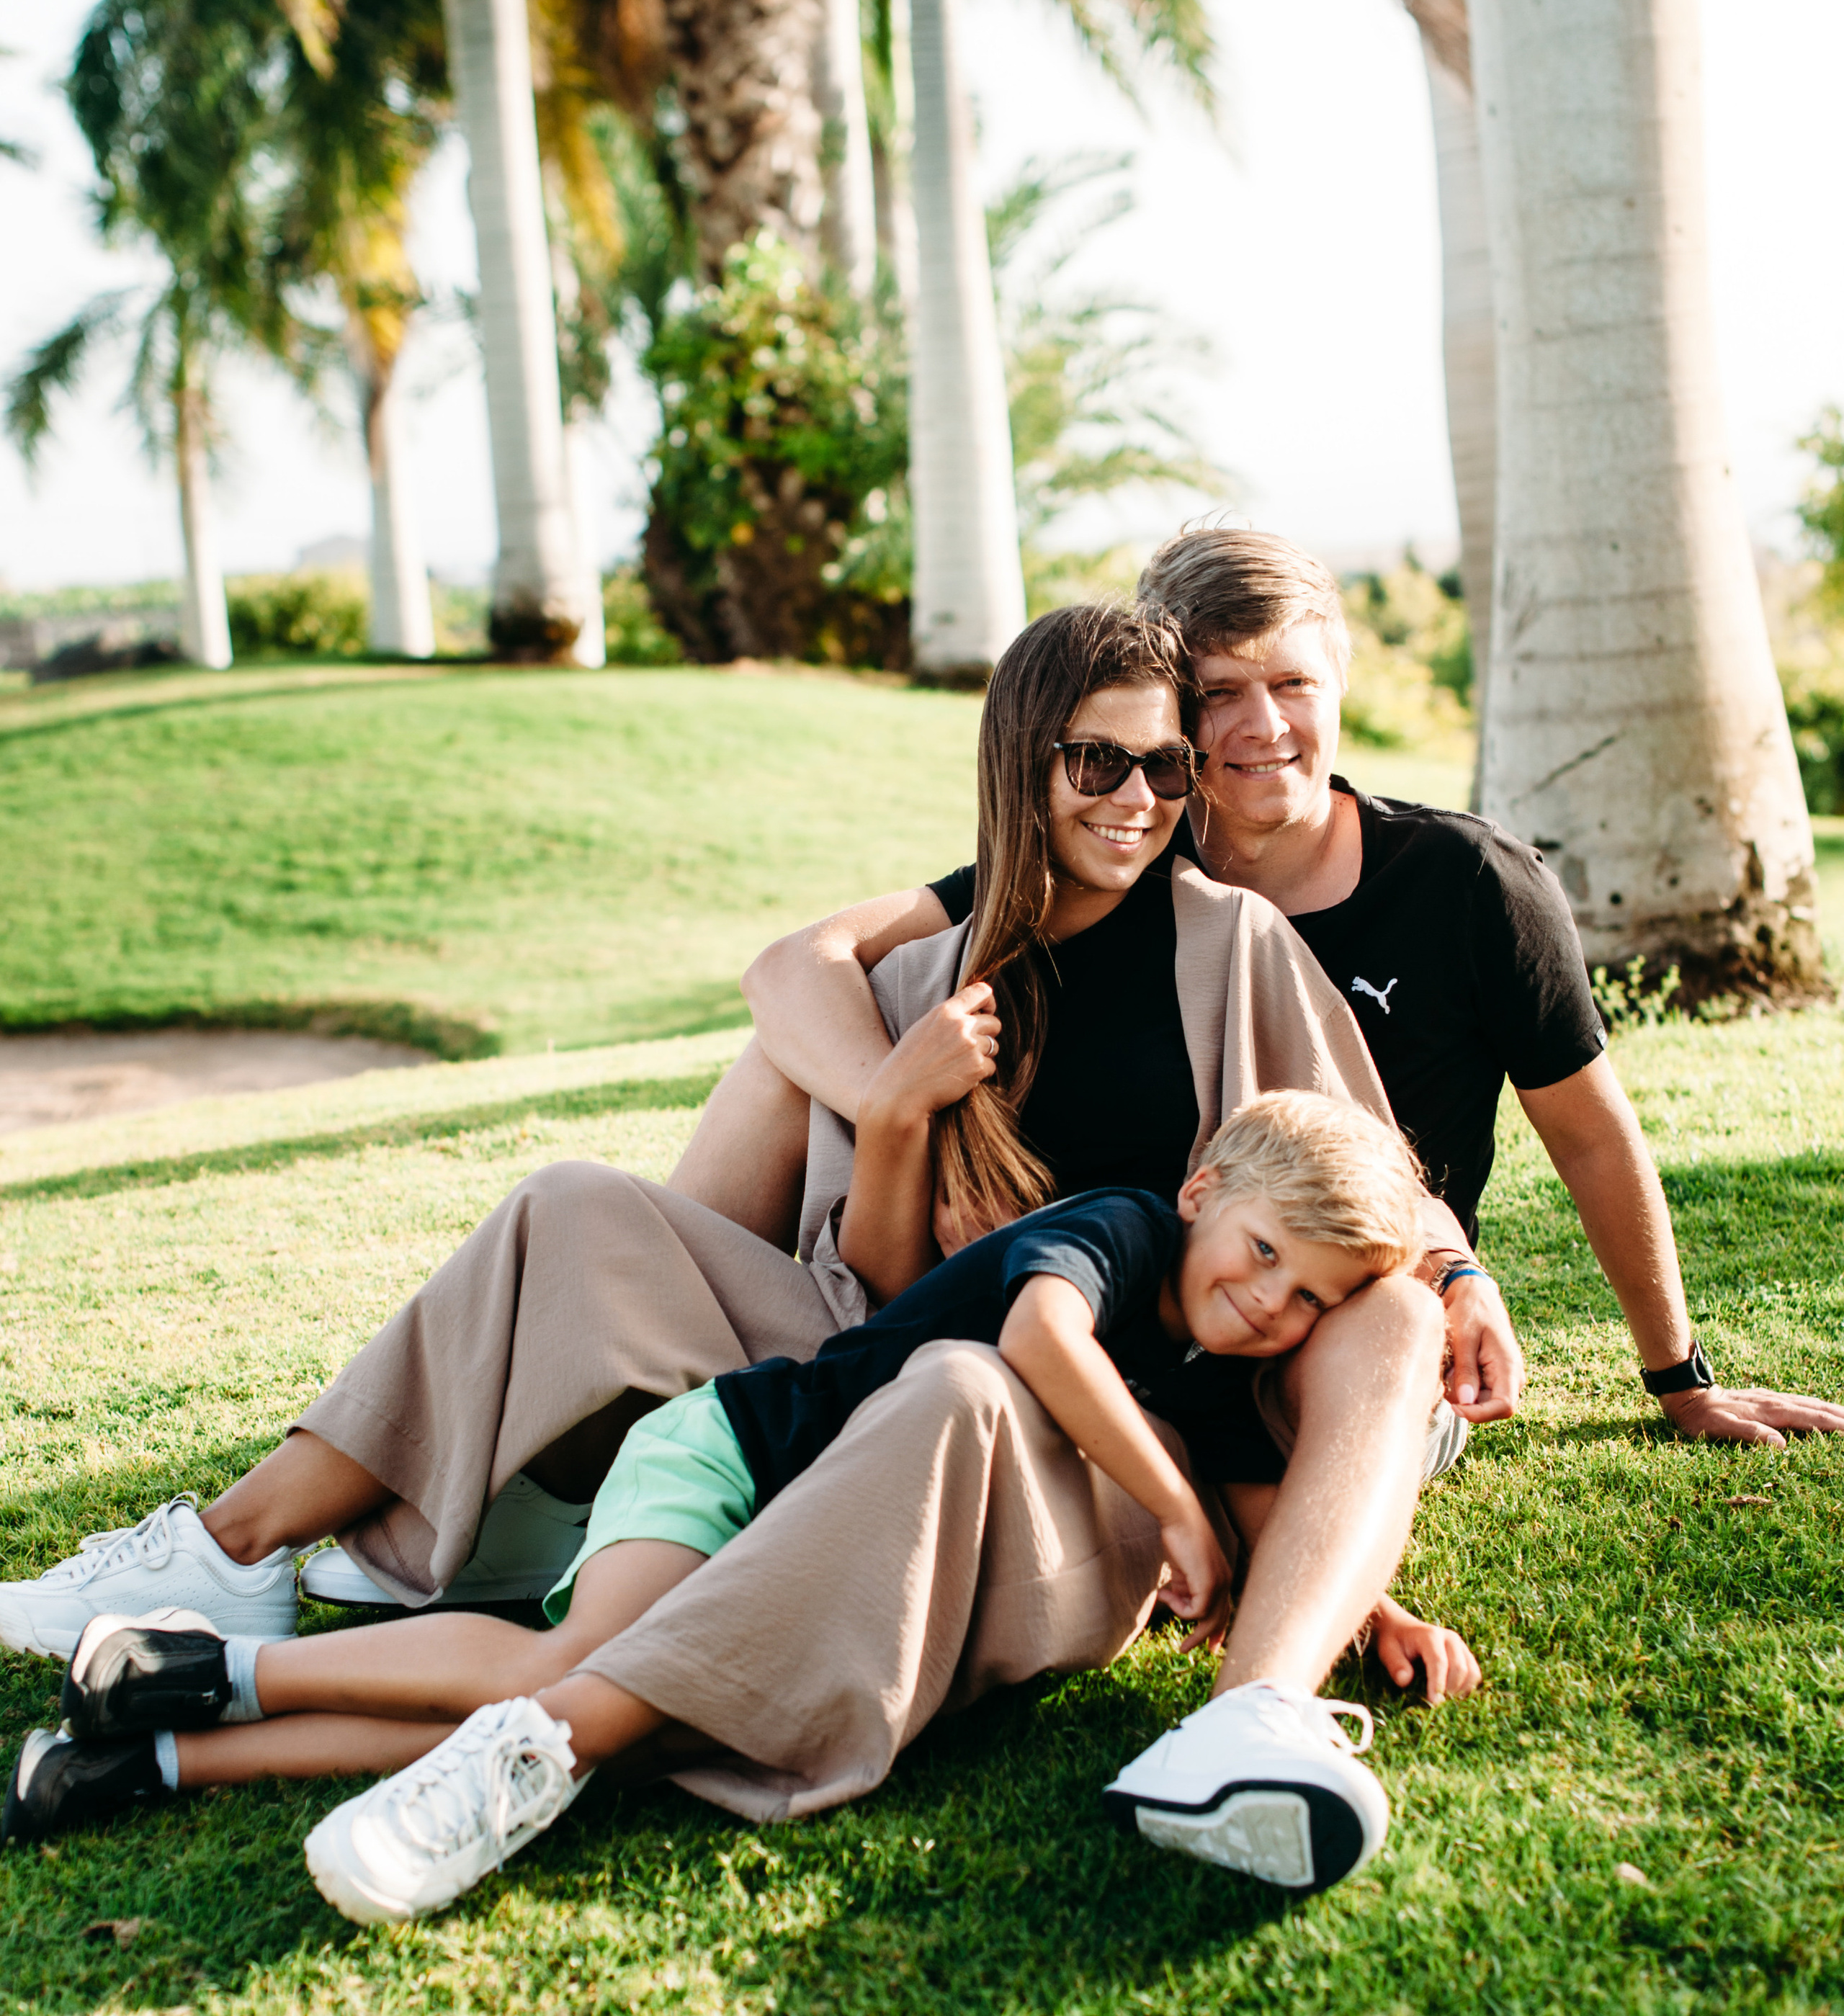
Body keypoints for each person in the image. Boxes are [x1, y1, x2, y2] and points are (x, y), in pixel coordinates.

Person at [0, 605, 1464, 1895]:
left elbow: (1352, 1206)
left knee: (955, 1396)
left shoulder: (1228, 956)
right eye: (1099, 763)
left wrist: (1335, 1537)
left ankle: (218, 1712)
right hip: (870, 1359)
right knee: (576, 1201)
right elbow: (882, 1275)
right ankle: (233, 1550)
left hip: (1050, 1422)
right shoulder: (943, 960)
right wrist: (896, 1110)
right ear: (1025, 764)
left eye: (1164, 768)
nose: (1138, 800)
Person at [9, 1090, 1430, 1925]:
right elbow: (1040, 1344)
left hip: (804, 1538)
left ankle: (154, 1754)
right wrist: (1170, 1509)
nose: (1265, 1305)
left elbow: (1270, 1506)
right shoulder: (1122, 1230)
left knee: (629, 1732)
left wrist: (1358, 1601)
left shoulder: (1209, 1358)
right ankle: (215, 1665)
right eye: (1257, 1257)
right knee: (572, 1678)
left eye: (1303, 1301)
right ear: (1201, 1197)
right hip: (731, 1460)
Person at [711, 520, 1844, 1451]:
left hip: (1343, 1295)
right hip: (1118, 1285)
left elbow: (1593, 1137)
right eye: (1219, 692)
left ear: (1339, 681)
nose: (1261, 726)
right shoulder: (1122, 847)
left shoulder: (1467, 884)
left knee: (1375, 1329)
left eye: (1293, 682)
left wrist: (1677, 1377)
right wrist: (915, 1106)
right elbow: (793, 965)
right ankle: (689, 1398)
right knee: (782, 1070)